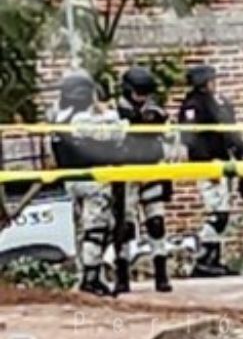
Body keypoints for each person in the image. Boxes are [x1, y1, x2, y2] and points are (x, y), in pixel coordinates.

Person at [50, 71, 123, 297]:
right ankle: (91, 278)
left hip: (70, 180)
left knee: (82, 229)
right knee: (96, 228)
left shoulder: (58, 116)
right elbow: (116, 133)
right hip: (92, 179)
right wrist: (109, 112)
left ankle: (85, 273)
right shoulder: (82, 120)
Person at [178, 65, 243, 278]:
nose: (214, 83)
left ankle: (214, 258)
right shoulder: (193, 106)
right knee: (217, 213)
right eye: (211, 80)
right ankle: (202, 257)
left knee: (222, 212)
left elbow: (229, 133)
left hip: (223, 161)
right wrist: (207, 163)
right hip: (209, 165)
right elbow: (191, 138)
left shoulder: (216, 102)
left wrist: (240, 154)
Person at [115, 67, 173, 294]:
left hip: (152, 167)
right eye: (139, 93)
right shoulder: (117, 112)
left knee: (156, 222)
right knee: (126, 226)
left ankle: (161, 274)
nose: (142, 97)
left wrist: (158, 122)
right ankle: (122, 275)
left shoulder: (155, 109)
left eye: (145, 93)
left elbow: (170, 136)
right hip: (127, 171)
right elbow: (114, 137)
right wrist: (133, 124)